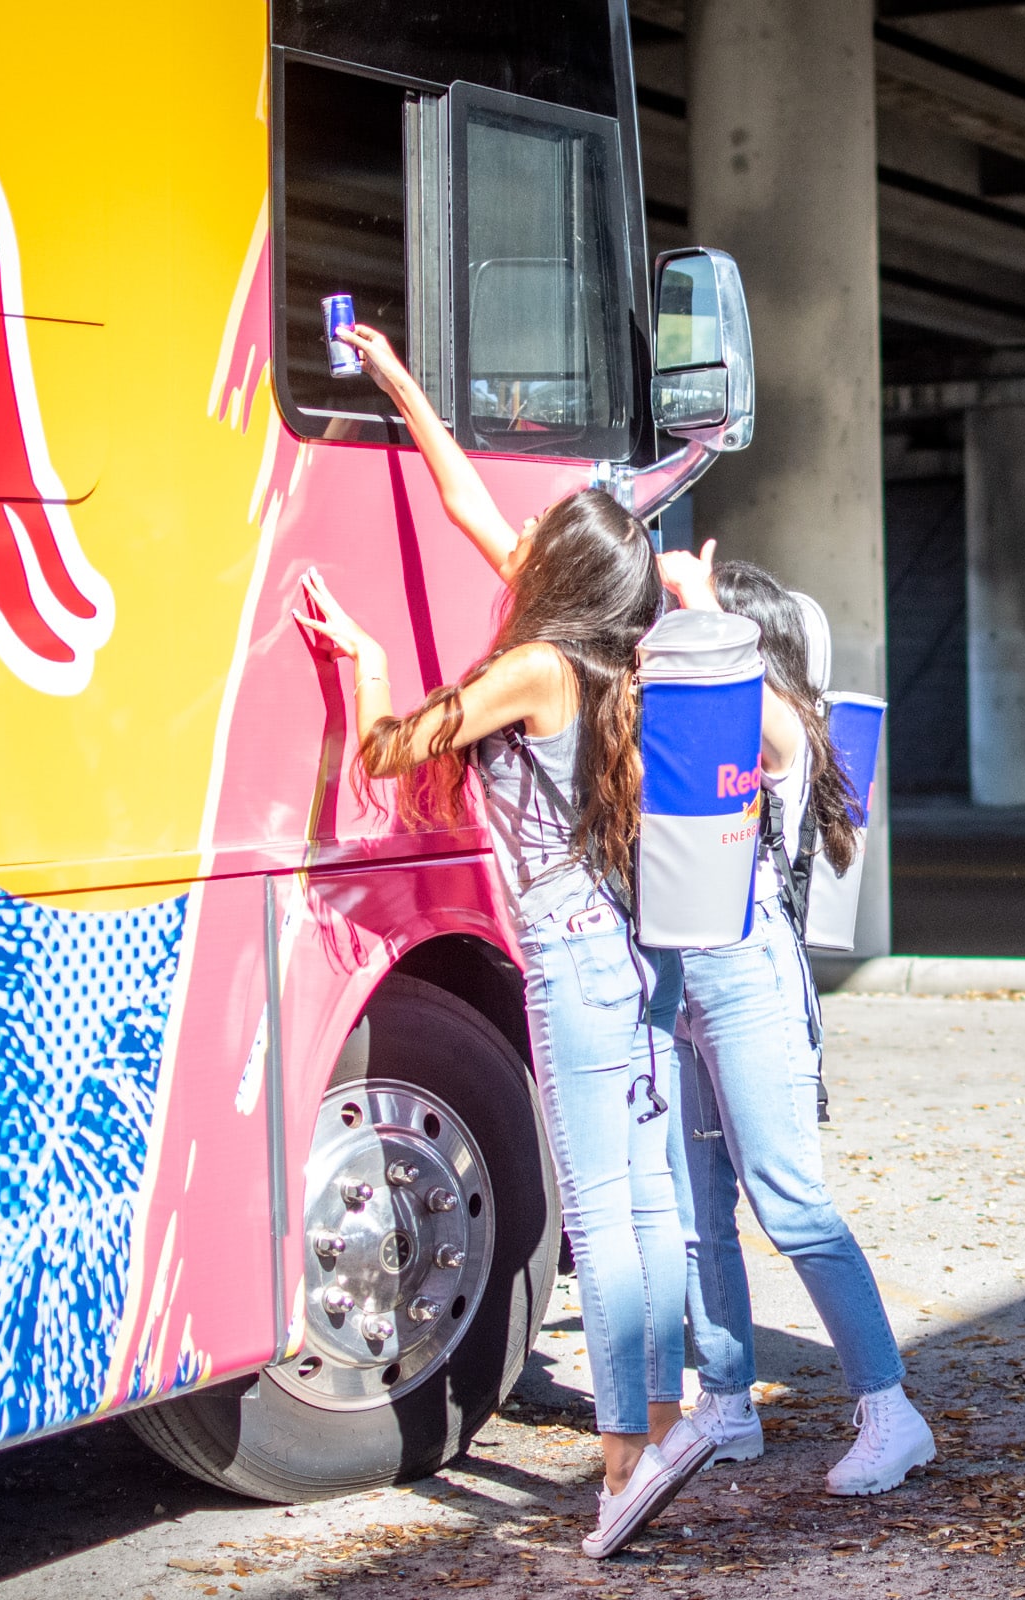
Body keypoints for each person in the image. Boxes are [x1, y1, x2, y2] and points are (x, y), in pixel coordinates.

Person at [294, 324, 708, 1558]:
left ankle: (631, 1453)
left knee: (605, 1206)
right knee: (641, 1208)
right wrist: (400, 381)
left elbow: (395, 745)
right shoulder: (592, 655)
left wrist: (366, 660)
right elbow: (469, 498)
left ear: (556, 574)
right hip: (623, 954)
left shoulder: (531, 665)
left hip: (576, 965)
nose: (508, 542)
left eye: (534, 542)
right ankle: (669, 1423)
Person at [654, 544, 937, 1496]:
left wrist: (700, 607)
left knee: (790, 1202)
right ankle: (727, 1404)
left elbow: (774, 740)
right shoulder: (702, 721)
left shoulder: (779, 732)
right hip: (680, 977)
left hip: (747, 980)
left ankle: (891, 1412)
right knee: (700, 1211)